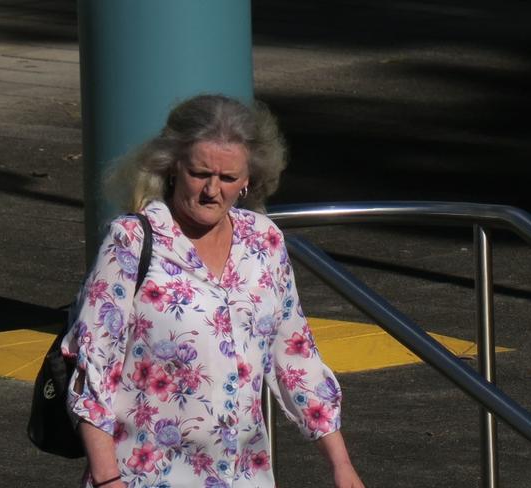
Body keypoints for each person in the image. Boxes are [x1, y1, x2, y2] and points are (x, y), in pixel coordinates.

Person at [62, 94, 364, 488]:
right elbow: (93, 365)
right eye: (200, 173)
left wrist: (341, 464)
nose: (211, 191)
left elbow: (295, 356)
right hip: (144, 477)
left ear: (248, 180)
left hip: (245, 476)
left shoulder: (264, 240)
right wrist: (106, 478)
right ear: (172, 168)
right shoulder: (132, 240)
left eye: (227, 178)